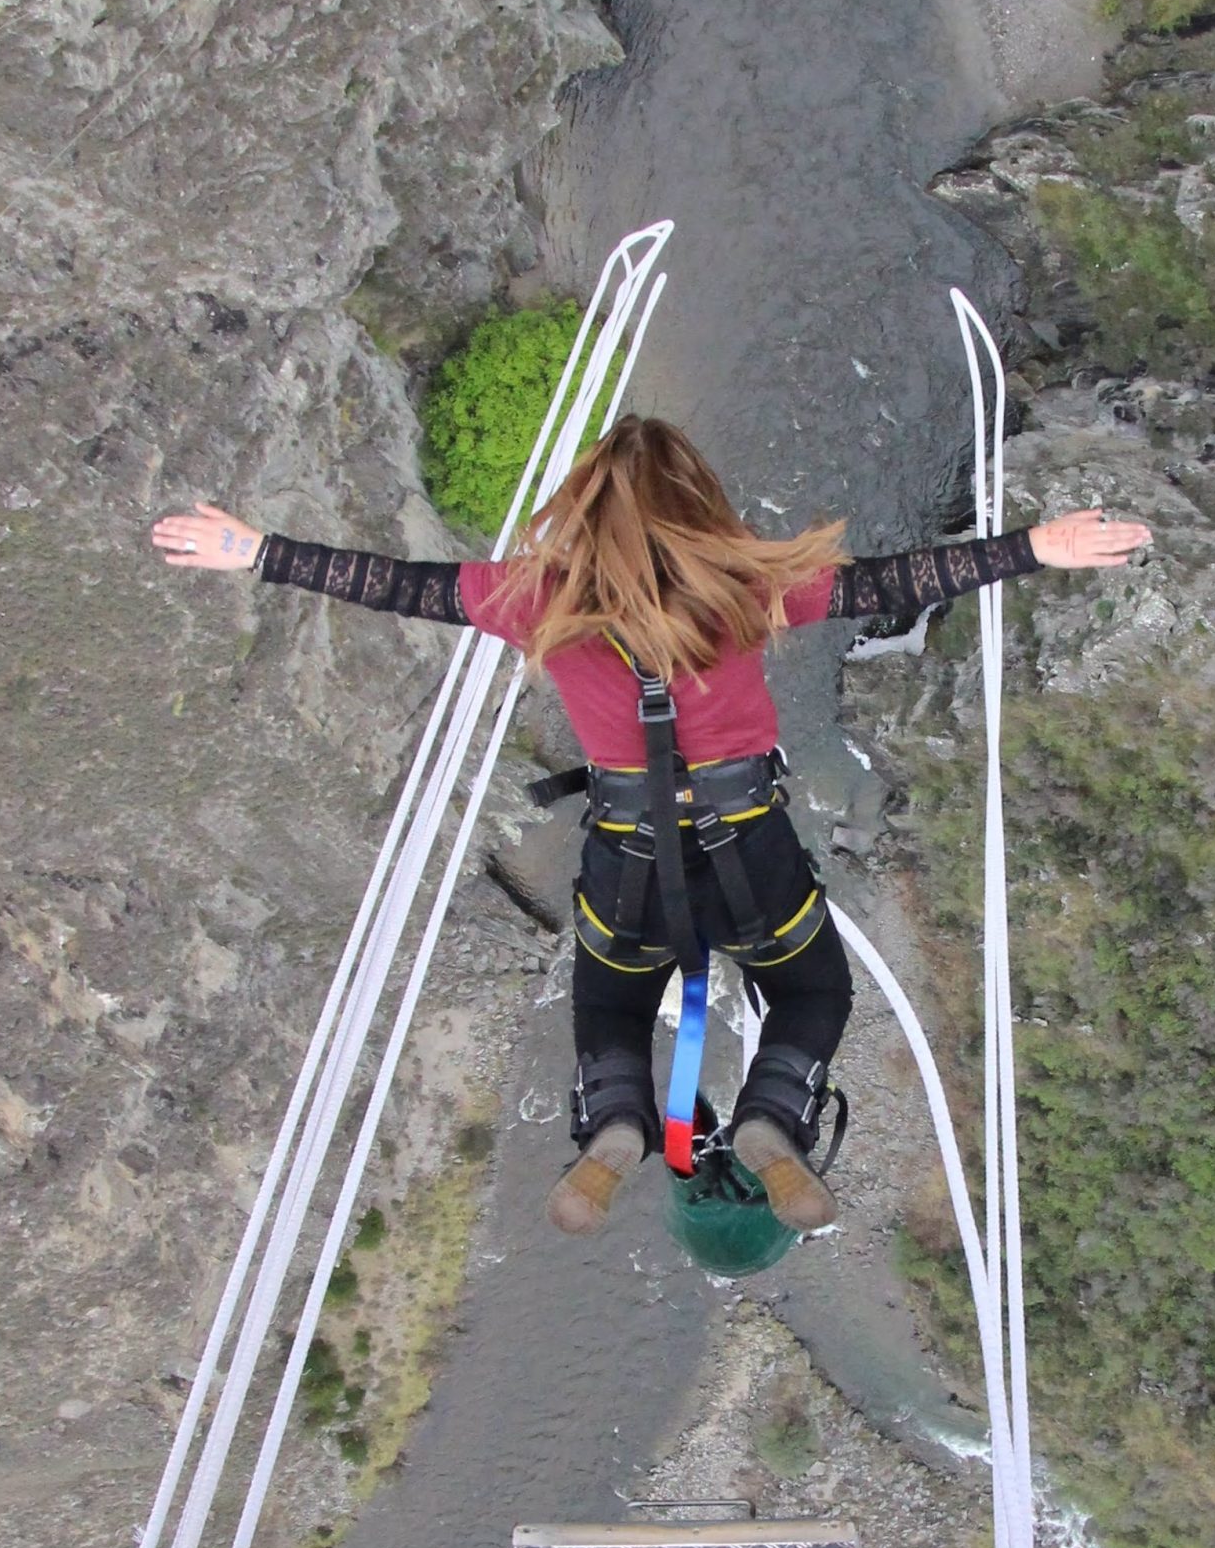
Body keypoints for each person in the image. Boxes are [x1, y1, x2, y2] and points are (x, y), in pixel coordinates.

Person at [150, 416, 1149, 1237]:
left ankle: (620, 1131)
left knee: (613, 1002)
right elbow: (893, 583)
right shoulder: (745, 586)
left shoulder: (531, 597)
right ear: (697, 509)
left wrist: (255, 553)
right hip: (747, 843)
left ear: (579, 514)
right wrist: (1034, 549)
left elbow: (393, 585)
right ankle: (767, 1123)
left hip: (627, 859)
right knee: (808, 989)